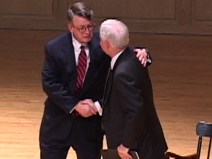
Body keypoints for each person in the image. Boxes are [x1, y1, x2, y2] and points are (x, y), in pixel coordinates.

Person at [39, 2, 151, 159]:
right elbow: (49, 83)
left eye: (90, 27)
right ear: (71, 27)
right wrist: (75, 105)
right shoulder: (54, 47)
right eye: (81, 28)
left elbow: (123, 50)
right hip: (58, 123)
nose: (87, 32)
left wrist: (144, 53)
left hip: (90, 127)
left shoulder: (103, 44)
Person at [99, 19, 168, 159]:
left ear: (106, 44)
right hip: (149, 141)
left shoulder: (122, 73)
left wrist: (125, 144)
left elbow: (135, 111)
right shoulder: (135, 56)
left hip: (138, 147)